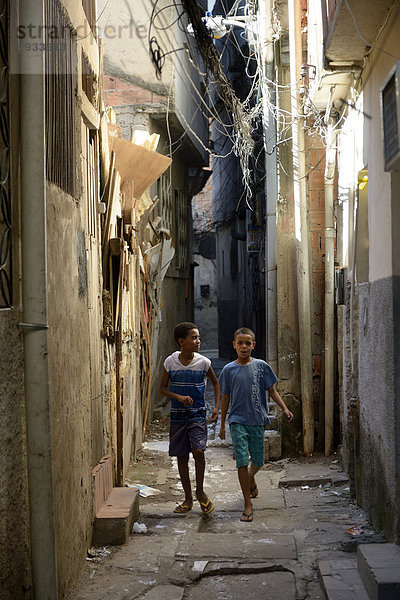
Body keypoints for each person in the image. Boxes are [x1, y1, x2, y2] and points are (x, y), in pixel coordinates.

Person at [218, 327, 294, 522]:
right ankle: (247, 504)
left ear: (253, 345)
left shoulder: (261, 366)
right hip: (237, 421)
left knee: (258, 461)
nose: (244, 346)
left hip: (258, 419)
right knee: (242, 461)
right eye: (240, 343)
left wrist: (284, 408)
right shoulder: (228, 370)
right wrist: (222, 424)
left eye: (248, 343)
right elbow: (225, 397)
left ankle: (251, 479)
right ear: (234, 345)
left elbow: (272, 390)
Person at [159, 321, 220, 515]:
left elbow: (215, 384)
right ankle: (187, 498)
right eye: (194, 338)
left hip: (197, 414)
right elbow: (162, 389)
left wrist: (216, 407)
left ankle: (200, 492)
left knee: (198, 451)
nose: (198, 341)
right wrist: (178, 397)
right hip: (178, 416)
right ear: (181, 341)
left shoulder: (203, 362)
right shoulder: (170, 362)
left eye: (199, 337)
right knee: (182, 456)